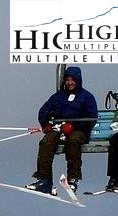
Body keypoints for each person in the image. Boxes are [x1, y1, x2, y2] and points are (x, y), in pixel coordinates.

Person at [27, 65, 98, 194]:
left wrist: (74, 126)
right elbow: (44, 111)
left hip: (78, 131)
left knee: (73, 141)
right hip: (59, 129)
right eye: (67, 80)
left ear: (78, 80)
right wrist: (46, 125)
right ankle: (44, 180)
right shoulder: (58, 96)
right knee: (46, 142)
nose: (70, 83)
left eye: (73, 80)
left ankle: (73, 178)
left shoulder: (86, 97)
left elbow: (91, 118)